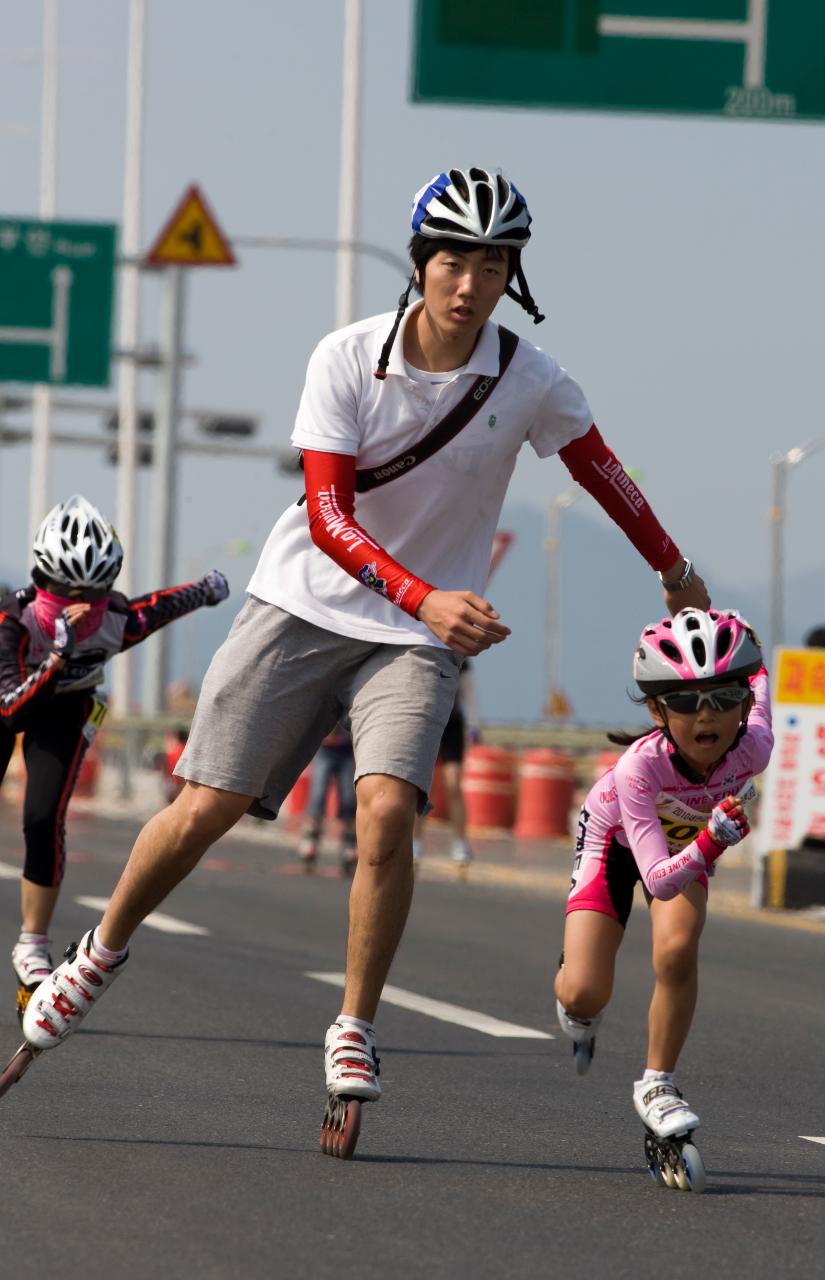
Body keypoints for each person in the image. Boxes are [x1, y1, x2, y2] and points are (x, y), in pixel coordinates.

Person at [22, 167, 710, 1147]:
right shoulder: (347, 358)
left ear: (511, 274)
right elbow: (328, 513)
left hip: (416, 637)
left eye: (490, 263)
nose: (467, 281)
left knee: (385, 808)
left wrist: (673, 567)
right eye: (451, 258)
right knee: (206, 804)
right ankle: (100, 948)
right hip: (300, 603)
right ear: (418, 260)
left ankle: (354, 1023)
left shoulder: (529, 380)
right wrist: (424, 589)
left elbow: (601, 470)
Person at [0, 494, 229, 1019]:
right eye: (62, 591)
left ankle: (31, 944)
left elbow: (161, 605)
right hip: (9, 700)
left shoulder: (115, 619)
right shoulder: (14, 621)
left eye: (95, 593)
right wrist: (58, 651)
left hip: (69, 708)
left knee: (42, 816)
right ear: (41, 578)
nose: (79, 604)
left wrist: (208, 589)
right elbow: (12, 713)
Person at [553, 609, 772, 1151]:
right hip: (618, 842)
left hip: (686, 845)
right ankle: (574, 992)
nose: (707, 715)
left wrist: (753, 640)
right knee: (585, 991)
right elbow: (658, 879)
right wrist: (711, 842)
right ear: (655, 709)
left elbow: (762, 676)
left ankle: (658, 1084)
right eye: (684, 701)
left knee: (677, 949)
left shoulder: (755, 745)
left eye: (723, 698)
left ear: (744, 706)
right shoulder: (638, 769)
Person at [413, 659, 479, 869]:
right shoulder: (422, 652)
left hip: (453, 725)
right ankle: (415, 842)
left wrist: (475, 726)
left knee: (453, 785)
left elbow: (470, 692)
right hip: (426, 721)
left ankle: (460, 842)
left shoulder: (461, 657)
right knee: (422, 787)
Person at [297, 725, 358, 874]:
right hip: (324, 749)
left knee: (349, 799)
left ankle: (349, 845)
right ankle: (310, 841)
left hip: (348, 750)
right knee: (317, 795)